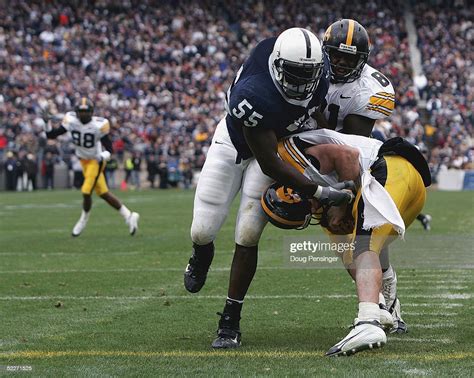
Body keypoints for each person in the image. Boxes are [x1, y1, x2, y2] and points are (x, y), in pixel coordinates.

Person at [184, 27, 353, 349]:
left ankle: (229, 322)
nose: (303, 82)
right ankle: (202, 252)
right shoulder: (253, 92)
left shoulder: (320, 74)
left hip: (280, 143)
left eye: (309, 74)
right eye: (295, 73)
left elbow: (315, 117)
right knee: (202, 230)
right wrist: (318, 191)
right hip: (236, 144)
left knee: (248, 234)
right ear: (277, 64)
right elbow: (268, 162)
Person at [269, 128, 431, 356]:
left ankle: (367, 322)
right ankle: (385, 309)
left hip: (392, 169)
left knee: (364, 246)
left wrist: (342, 203)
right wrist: (378, 300)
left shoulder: (292, 155)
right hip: (408, 190)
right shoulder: (320, 211)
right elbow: (347, 257)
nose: (314, 210)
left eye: (307, 206)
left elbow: (348, 155)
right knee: (368, 247)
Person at [316, 19, 413, 332]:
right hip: (316, 162)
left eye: (349, 57)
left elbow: (352, 146)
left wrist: (342, 192)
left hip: (358, 165)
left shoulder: (371, 88)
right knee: (349, 248)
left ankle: (383, 307)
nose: (341, 63)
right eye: (336, 55)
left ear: (363, 60)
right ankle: (383, 306)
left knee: (362, 239)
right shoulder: (308, 69)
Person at [43, 97, 140, 237]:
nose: (83, 115)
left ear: (92, 112)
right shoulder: (71, 121)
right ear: (76, 112)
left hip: (96, 161)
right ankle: (129, 215)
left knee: (86, 191)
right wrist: (46, 123)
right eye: (81, 112)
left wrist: (103, 156)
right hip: (83, 161)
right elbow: (51, 135)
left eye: (86, 112)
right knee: (103, 193)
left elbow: (110, 149)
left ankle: (83, 220)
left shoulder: (98, 125)